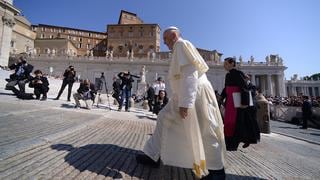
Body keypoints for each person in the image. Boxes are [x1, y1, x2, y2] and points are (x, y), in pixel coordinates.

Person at [136, 27, 226, 179]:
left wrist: (186, 103)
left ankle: (217, 171)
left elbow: (190, 73)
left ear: (173, 36)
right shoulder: (180, 47)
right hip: (186, 93)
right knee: (163, 118)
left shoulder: (181, 45)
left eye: (165, 39)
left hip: (194, 94)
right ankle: (153, 155)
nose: (164, 43)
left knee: (205, 128)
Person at [220, 58, 260, 151]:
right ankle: (229, 142)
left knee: (237, 123)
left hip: (236, 102)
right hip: (230, 100)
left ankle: (232, 144)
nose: (224, 66)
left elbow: (244, 87)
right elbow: (226, 88)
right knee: (228, 121)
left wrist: (244, 103)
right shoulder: (228, 75)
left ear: (232, 63)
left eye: (226, 64)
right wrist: (221, 97)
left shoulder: (238, 73)